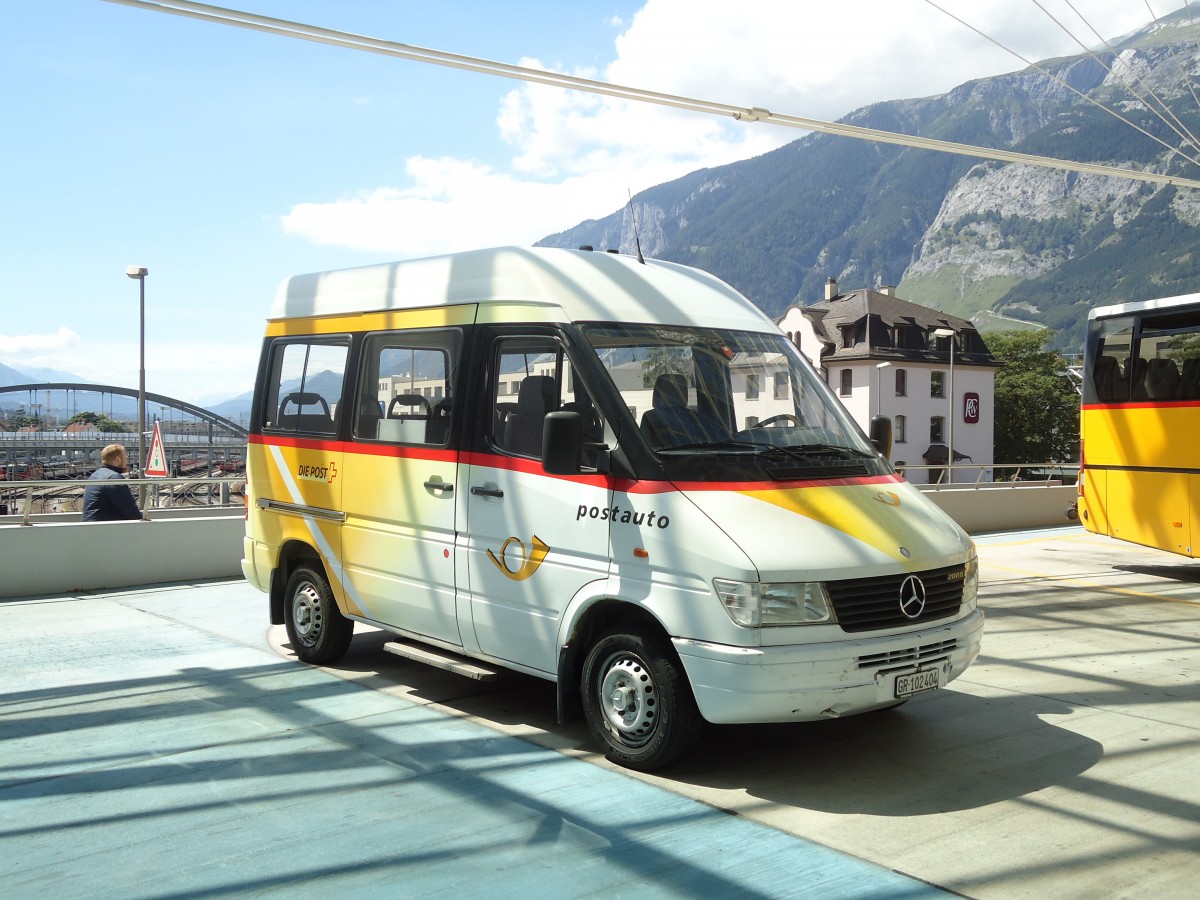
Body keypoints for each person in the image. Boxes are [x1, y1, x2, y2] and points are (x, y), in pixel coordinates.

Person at [82, 444, 144, 522]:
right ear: (117, 460)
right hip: (106, 529)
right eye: (125, 458)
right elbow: (132, 513)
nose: (127, 462)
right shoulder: (114, 479)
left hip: (91, 526)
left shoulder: (95, 475)